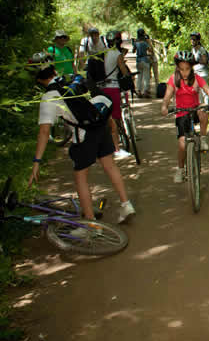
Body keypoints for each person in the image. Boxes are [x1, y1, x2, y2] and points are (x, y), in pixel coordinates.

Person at [27, 53, 135, 224]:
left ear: (37, 79)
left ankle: (90, 224)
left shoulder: (49, 97)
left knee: (81, 177)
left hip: (84, 134)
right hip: (101, 125)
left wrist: (36, 161)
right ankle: (126, 204)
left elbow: (44, 132)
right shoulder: (74, 79)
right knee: (110, 165)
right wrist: (111, 125)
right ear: (54, 70)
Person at [160, 51, 209, 183]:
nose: (184, 72)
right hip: (181, 113)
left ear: (191, 68)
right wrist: (164, 106)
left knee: (203, 110)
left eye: (187, 69)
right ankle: (180, 170)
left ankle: (203, 139)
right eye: (181, 69)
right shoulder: (173, 79)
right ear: (177, 68)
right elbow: (167, 96)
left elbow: (208, 90)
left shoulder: (197, 78)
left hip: (195, 110)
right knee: (182, 144)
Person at [100, 31, 133, 159]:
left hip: (101, 88)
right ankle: (117, 147)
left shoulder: (101, 53)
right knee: (115, 117)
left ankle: (106, 144)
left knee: (105, 117)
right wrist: (127, 76)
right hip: (113, 87)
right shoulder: (117, 54)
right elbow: (123, 70)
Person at [189, 32, 209, 116]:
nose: (192, 41)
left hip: (202, 73)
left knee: (204, 92)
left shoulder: (201, 49)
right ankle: (201, 110)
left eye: (194, 39)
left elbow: (204, 61)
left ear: (198, 40)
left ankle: (207, 110)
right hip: (196, 73)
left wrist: (196, 61)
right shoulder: (193, 50)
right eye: (191, 39)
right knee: (198, 93)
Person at [133, 30, 153, 98]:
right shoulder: (145, 43)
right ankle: (146, 91)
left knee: (139, 77)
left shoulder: (136, 42)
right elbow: (150, 50)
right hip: (145, 60)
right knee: (146, 77)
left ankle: (138, 91)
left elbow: (133, 51)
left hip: (138, 60)